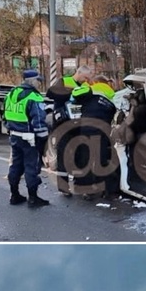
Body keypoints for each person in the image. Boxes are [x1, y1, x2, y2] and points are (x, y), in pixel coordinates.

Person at [4, 69, 50, 208]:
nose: (39, 83)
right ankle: (33, 198)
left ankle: (14, 195)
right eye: (38, 80)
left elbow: (4, 114)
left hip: (14, 135)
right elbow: (39, 121)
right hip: (29, 138)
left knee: (16, 165)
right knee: (31, 167)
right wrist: (43, 140)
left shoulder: (12, 93)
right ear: (33, 81)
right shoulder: (34, 97)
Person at [46, 65, 94, 196]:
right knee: (64, 156)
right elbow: (50, 93)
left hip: (78, 125)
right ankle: (64, 187)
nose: (86, 80)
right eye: (85, 77)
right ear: (78, 73)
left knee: (80, 155)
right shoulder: (64, 81)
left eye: (88, 78)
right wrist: (71, 93)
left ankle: (79, 184)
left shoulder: (85, 86)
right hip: (63, 124)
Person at [69, 76, 119, 198]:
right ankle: (108, 191)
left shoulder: (90, 89)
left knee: (86, 158)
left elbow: (73, 97)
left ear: (95, 82)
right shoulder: (113, 94)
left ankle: (88, 190)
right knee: (101, 159)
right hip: (103, 129)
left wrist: (85, 85)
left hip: (87, 127)